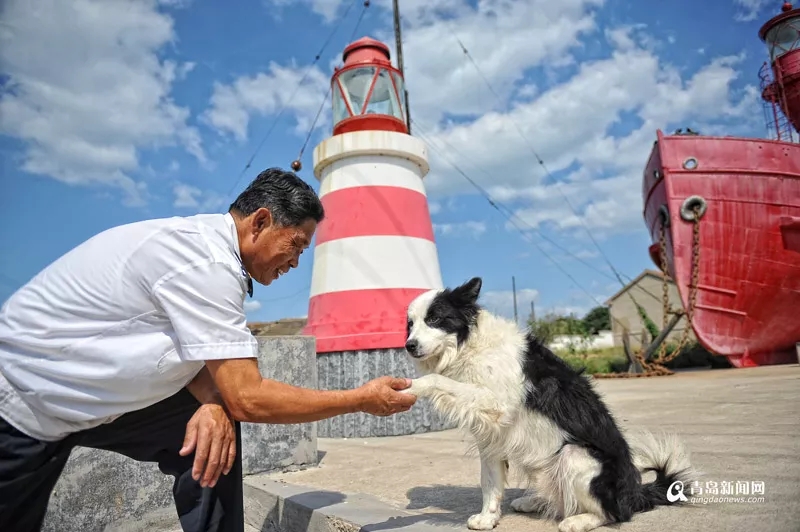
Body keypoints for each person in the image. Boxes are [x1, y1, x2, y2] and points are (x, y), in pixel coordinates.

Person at [0, 167, 418, 532]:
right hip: (20, 402)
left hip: (81, 399)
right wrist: (360, 399)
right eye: (296, 245)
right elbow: (249, 398)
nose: (296, 262)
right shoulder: (205, 263)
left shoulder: (208, 252)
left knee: (212, 430)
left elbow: (199, 362)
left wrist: (216, 401)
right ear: (260, 222)